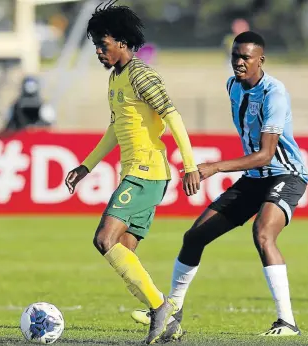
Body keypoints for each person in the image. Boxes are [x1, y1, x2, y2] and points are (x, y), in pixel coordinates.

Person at [131, 31, 308, 338]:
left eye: (246, 58)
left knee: (263, 233)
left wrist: (214, 167)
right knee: (195, 236)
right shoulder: (232, 87)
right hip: (254, 179)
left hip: (285, 175)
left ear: (260, 60)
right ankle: (171, 311)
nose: (239, 63)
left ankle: (287, 322)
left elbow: (266, 154)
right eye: (235, 56)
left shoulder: (274, 93)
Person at [64, 1, 200, 344]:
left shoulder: (142, 74)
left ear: (122, 41)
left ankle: (160, 307)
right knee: (123, 249)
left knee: (103, 239)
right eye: (95, 44)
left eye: (103, 44)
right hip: (142, 174)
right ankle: (171, 324)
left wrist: (191, 165)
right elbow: (115, 128)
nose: (98, 51)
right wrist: (86, 165)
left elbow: (173, 117)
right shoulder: (116, 77)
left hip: (146, 172)